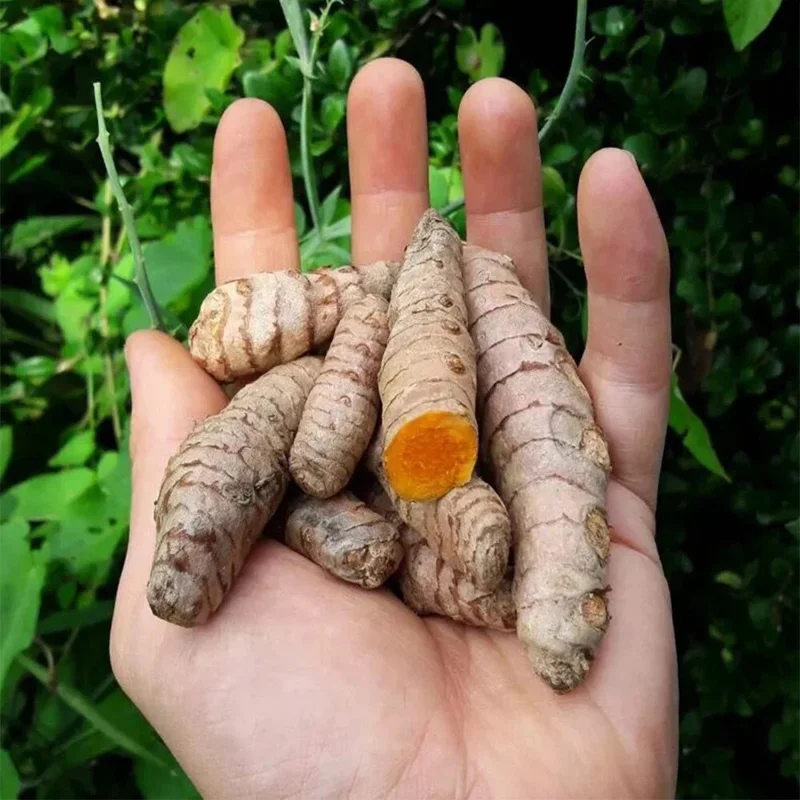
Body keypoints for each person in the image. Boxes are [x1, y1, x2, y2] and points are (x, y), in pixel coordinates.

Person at [111, 59, 678, 799]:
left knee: (503, 468)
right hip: (368, 419)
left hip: (416, 417)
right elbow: (321, 461)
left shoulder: (432, 319)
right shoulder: (347, 362)